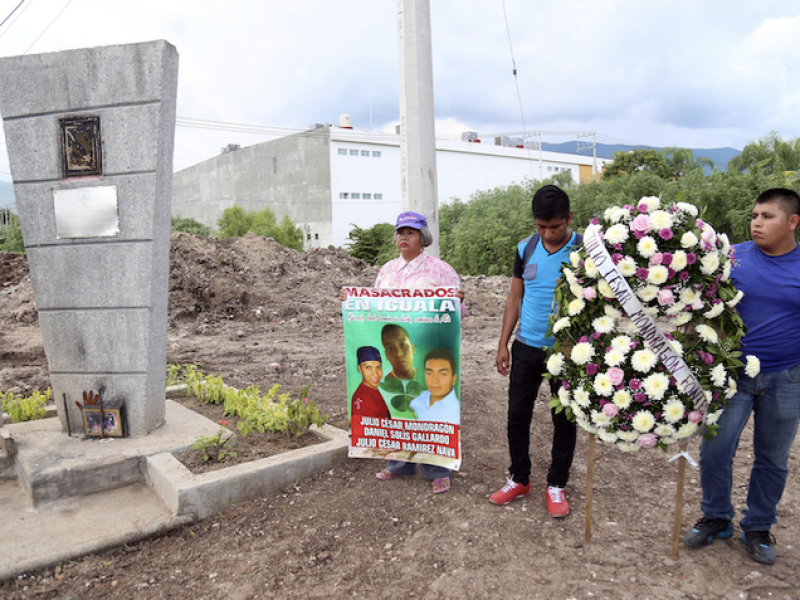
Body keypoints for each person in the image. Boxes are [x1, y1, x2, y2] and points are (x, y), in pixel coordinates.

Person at [682, 187, 800, 565]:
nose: (756, 222)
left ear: (793, 222)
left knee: (772, 458)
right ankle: (717, 517)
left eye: (767, 216)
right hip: (732, 375)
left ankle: (759, 526)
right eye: (754, 215)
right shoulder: (733, 258)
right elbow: (701, 302)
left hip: (787, 377)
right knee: (716, 450)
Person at [342, 211, 464, 494]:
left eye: (410, 233)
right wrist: (351, 303)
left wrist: (459, 302)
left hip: (424, 351)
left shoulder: (441, 270)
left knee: (431, 406)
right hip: (394, 354)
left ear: (423, 237)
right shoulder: (386, 271)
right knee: (395, 408)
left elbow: (456, 315)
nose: (403, 238)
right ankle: (399, 464)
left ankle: (437, 468)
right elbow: (371, 310)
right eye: (400, 233)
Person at [490, 184, 582, 518]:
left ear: (569, 218)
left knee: (564, 419)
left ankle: (556, 484)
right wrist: (504, 342)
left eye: (555, 226)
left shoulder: (586, 250)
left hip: (567, 352)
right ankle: (519, 478)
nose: (549, 233)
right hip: (527, 346)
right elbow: (515, 297)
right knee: (517, 415)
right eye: (541, 227)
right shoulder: (525, 248)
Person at [411, 348, 460, 425]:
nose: (434, 380)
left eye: (442, 374)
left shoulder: (456, 413)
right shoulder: (419, 398)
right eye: (429, 373)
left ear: (454, 379)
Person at [350, 346, 390, 420]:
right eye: (368, 367)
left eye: (378, 367)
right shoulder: (363, 398)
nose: (375, 374)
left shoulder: (373, 390)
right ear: (360, 369)